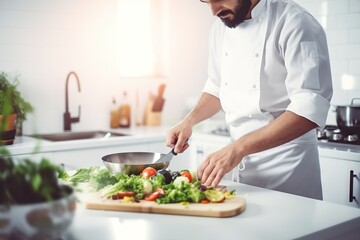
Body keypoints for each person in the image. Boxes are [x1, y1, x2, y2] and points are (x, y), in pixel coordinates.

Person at [166, 0, 333, 200]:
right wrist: (189, 121)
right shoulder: (219, 29)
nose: (213, 11)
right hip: (237, 168)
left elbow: (309, 108)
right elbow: (217, 87)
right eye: (207, 1)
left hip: (286, 170)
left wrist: (239, 148)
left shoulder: (296, 23)